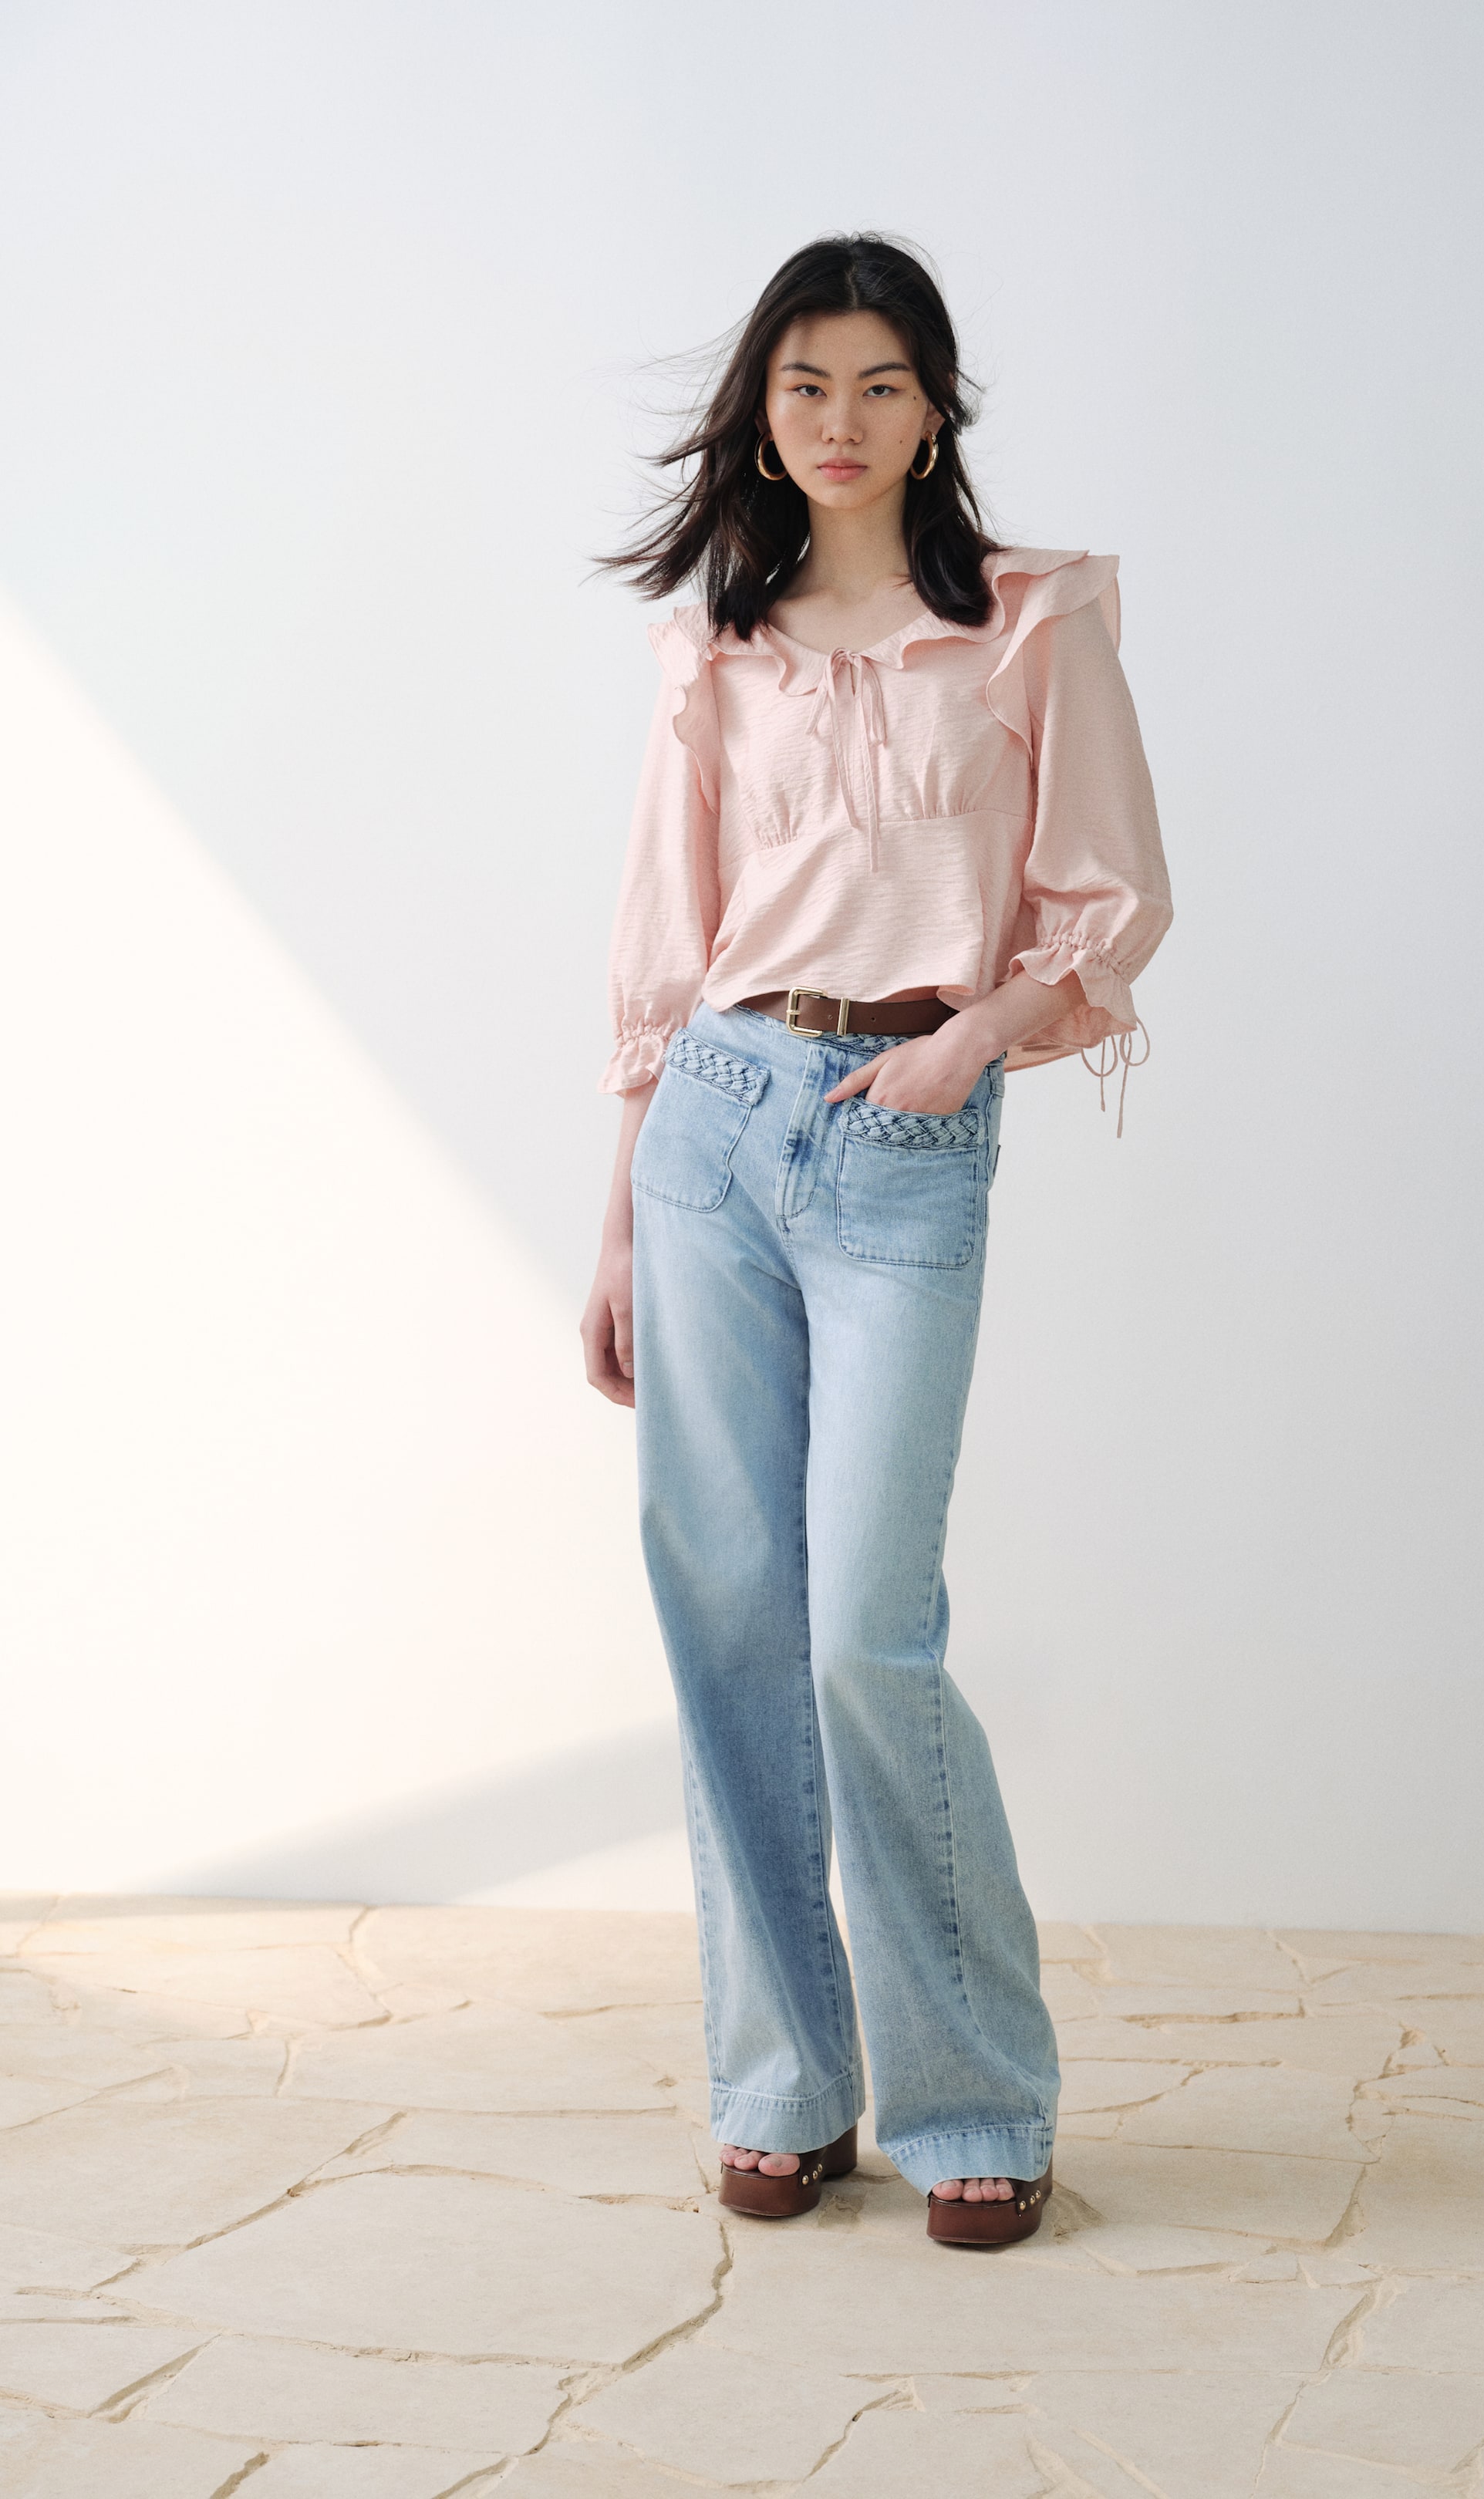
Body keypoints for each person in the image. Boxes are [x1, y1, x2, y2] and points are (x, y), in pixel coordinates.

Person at [582, 234, 1171, 2248]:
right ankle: (782, 2085)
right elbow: (665, 952)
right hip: (714, 1132)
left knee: (863, 1631)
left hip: (907, 1135)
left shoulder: (1029, 620)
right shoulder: (716, 649)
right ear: (763, 411)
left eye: (882, 384)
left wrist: (974, 1044)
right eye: (806, 384)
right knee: (728, 1619)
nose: (841, 421)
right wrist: (617, 1226)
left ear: (936, 410)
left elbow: (1112, 901)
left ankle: (974, 2096)